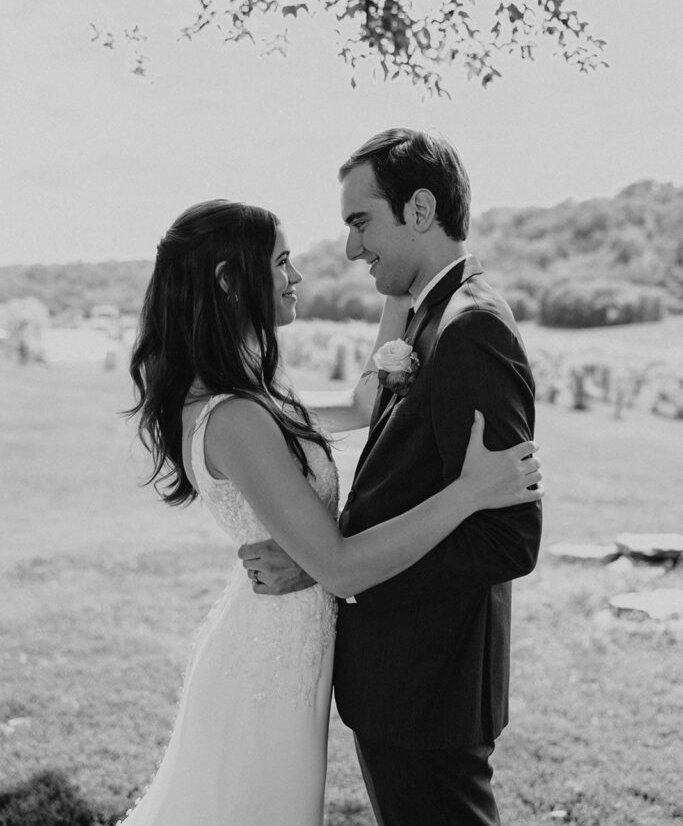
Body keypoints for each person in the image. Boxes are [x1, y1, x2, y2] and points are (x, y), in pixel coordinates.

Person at [120, 197, 542, 826]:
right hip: (265, 667)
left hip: (294, 653)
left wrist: (402, 289)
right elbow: (341, 569)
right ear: (231, 283)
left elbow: (361, 403)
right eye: (282, 263)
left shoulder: (255, 395)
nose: (296, 278)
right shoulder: (233, 418)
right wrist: (471, 491)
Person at [239, 129, 543, 826]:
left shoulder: (470, 331)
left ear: (418, 211)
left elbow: (507, 541)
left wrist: (334, 568)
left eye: (359, 221)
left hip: (430, 683)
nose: (348, 249)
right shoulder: (428, 316)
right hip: (405, 684)